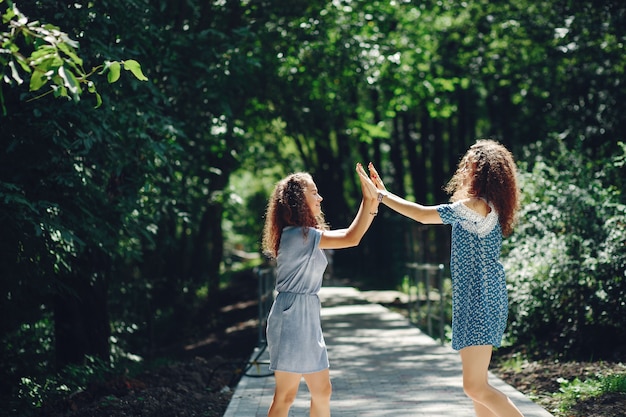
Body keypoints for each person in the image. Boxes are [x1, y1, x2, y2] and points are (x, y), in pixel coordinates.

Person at [368, 139, 524, 417]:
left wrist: (383, 195)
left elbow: (423, 215)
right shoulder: (487, 206)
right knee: (479, 389)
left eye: (470, 163)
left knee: (474, 387)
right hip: (477, 299)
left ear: (484, 171)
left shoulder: (476, 206)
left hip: (481, 300)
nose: (464, 167)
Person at [261, 163, 379, 417]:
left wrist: (372, 201)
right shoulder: (298, 235)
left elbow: (351, 237)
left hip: (305, 316)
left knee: (322, 391)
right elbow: (351, 238)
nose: (320, 197)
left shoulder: (304, 234)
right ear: (298, 200)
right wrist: (368, 200)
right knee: (285, 396)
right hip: (292, 317)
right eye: (314, 192)